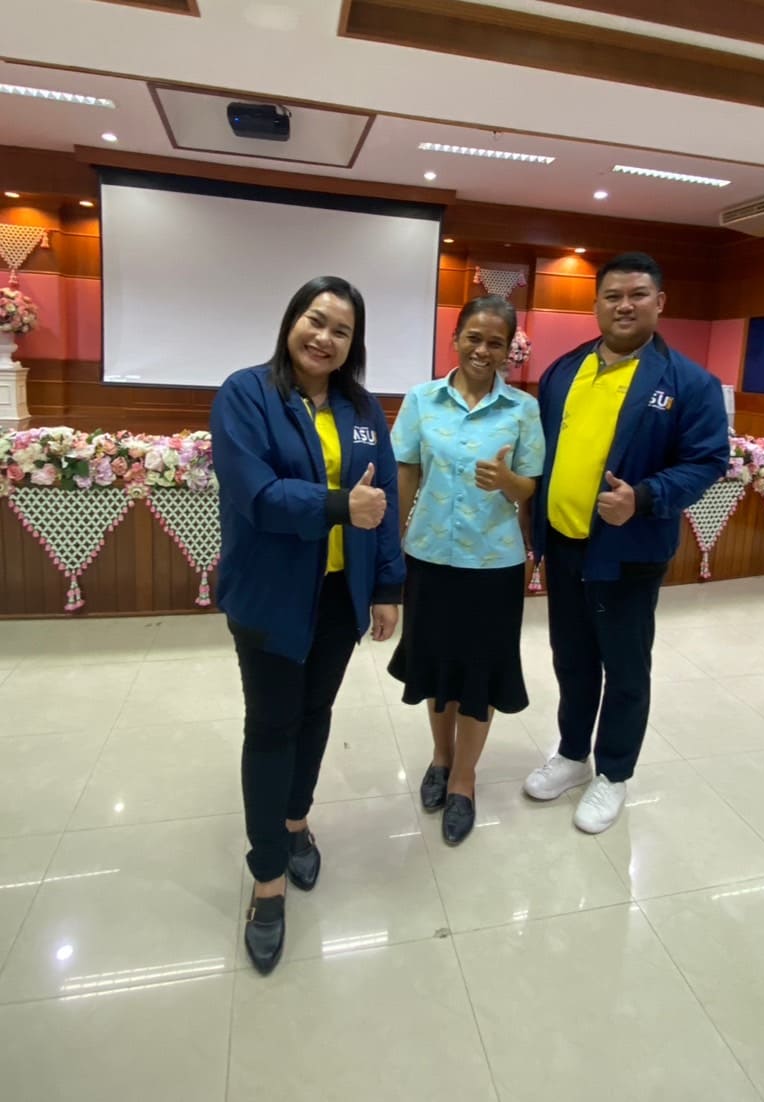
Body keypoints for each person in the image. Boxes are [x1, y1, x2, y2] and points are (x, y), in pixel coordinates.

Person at [210, 275, 404, 975]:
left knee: (315, 713)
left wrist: (387, 585)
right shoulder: (246, 394)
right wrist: (336, 506)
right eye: (315, 321)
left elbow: (383, 498)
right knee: (271, 727)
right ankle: (267, 877)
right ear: (292, 320)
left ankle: (296, 822)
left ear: (354, 344)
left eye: (341, 331)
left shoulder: (362, 409)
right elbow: (256, 494)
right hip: (268, 596)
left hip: (338, 596)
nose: (324, 338)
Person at [523, 252, 729, 832]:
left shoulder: (689, 383)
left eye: (637, 294)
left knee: (625, 667)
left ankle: (613, 774)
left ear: (659, 302)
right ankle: (572, 754)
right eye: (612, 295)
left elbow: (708, 461)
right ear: (596, 304)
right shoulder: (564, 371)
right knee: (572, 659)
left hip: (628, 553)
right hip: (564, 545)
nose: (624, 305)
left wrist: (643, 496)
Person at [389, 295, 545, 845]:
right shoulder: (421, 399)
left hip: (493, 563)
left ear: (509, 351)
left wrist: (507, 482)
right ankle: (440, 756)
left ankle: (464, 778)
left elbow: (530, 487)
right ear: (455, 339)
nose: (483, 350)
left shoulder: (523, 409)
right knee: (436, 667)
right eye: (473, 338)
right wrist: (391, 547)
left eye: (496, 342)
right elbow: (406, 472)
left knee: (480, 672)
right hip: (429, 556)